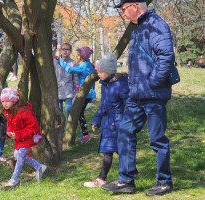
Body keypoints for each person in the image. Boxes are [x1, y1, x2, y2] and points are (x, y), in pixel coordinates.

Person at [101, 0, 174, 196]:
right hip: (137, 95)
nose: (123, 14)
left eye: (124, 9)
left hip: (153, 94)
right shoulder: (137, 28)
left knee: (157, 139)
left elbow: (166, 57)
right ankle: (126, 180)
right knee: (124, 132)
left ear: (135, 6)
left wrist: (152, 82)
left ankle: (164, 182)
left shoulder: (157, 25)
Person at [83, 53, 130, 188]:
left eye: (100, 71)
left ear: (109, 71)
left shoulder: (120, 84)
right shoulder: (105, 85)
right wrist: (96, 120)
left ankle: (125, 176)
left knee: (120, 151)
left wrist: (129, 119)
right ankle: (103, 178)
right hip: (108, 123)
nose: (98, 74)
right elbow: (104, 105)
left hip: (118, 123)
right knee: (109, 152)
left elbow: (129, 103)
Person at [1, 87, 47, 187]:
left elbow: (33, 126)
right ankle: (39, 167)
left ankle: (14, 179)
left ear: (13, 101)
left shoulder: (24, 111)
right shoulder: (8, 111)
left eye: (7, 101)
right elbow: (10, 125)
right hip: (19, 138)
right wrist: (9, 132)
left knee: (20, 156)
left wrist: (18, 134)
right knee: (17, 155)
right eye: (3, 101)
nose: (5, 103)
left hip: (28, 136)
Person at [56, 46, 96, 143]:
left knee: (79, 113)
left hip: (86, 94)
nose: (76, 57)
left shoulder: (83, 66)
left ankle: (86, 134)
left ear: (82, 57)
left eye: (78, 56)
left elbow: (69, 70)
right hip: (88, 93)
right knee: (79, 112)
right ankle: (84, 133)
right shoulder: (88, 64)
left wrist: (60, 60)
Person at [54, 43, 78, 121]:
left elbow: (75, 77)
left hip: (68, 89)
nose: (65, 51)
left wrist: (76, 89)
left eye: (67, 49)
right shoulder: (55, 61)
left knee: (68, 108)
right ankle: (61, 126)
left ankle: (68, 126)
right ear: (60, 50)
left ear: (70, 51)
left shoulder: (73, 63)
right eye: (63, 49)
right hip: (58, 89)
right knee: (59, 109)